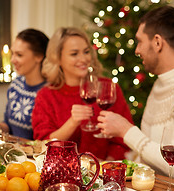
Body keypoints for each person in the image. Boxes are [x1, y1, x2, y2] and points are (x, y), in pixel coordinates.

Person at [97, 6, 174, 179]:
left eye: (140, 42)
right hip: (151, 189)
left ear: (157, 42)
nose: (137, 50)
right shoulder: (160, 82)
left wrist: (126, 131)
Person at [32, 27, 132, 160]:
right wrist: (72, 122)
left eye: (86, 52)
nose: (83, 59)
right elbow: (43, 144)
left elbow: (123, 139)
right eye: (74, 54)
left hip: (103, 174)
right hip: (62, 173)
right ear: (58, 58)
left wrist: (106, 168)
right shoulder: (46, 96)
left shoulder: (108, 88)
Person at [0, 29, 49, 139]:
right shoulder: (16, 84)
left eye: (19, 55)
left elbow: (45, 139)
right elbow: (8, 125)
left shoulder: (48, 93)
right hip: (14, 153)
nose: (13, 60)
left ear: (39, 57)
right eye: (12, 53)